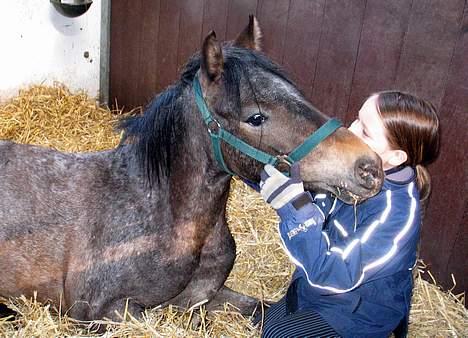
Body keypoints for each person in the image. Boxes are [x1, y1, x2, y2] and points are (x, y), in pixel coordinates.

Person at [253, 91, 440, 338]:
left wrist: (294, 205)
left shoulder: (396, 215)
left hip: (360, 311)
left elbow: (332, 272)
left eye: (365, 132)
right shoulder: (354, 169)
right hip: (317, 290)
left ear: (395, 157)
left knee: (277, 334)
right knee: (266, 323)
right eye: (357, 119)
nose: (350, 130)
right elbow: (316, 200)